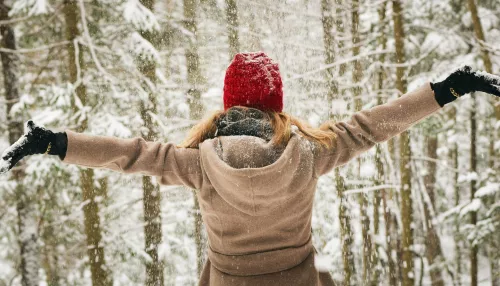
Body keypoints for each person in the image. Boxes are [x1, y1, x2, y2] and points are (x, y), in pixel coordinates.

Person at [1, 52, 500, 286]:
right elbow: (372, 127)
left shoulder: (199, 164)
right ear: (276, 106)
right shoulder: (310, 152)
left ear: (226, 106)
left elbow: (130, 154)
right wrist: (448, 89)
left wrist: (54, 142)